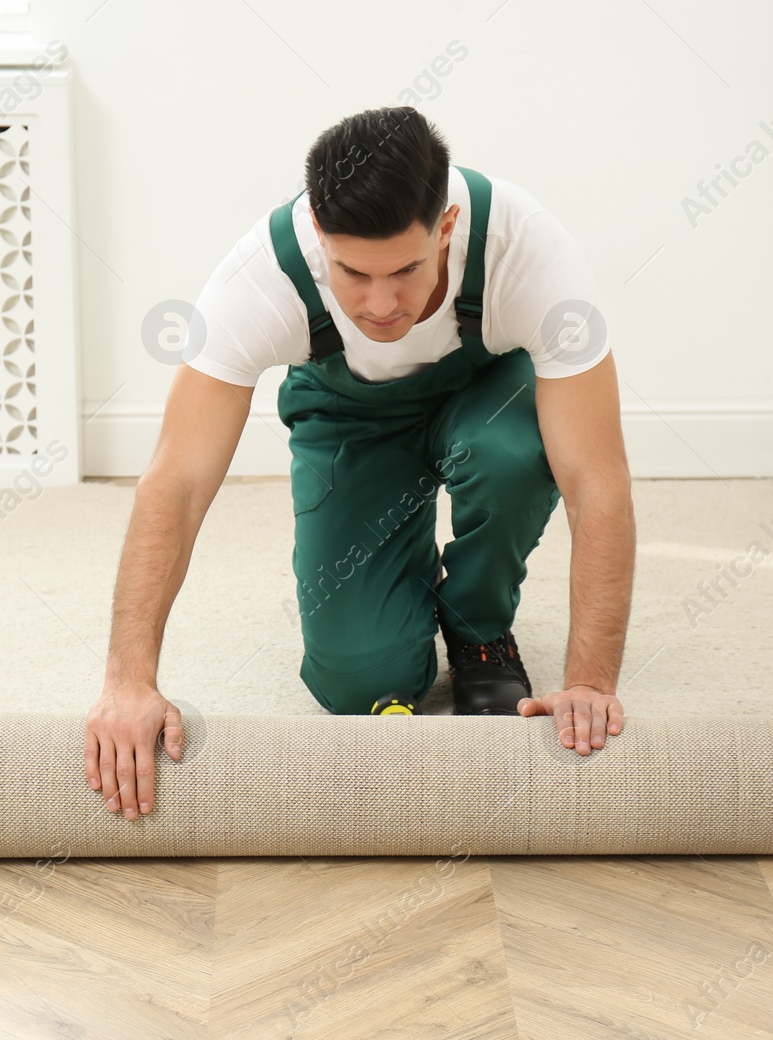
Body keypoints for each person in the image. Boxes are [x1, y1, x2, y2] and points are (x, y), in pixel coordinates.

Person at [85, 106, 635, 820]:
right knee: (361, 681)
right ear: (319, 234)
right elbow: (177, 482)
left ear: (446, 228)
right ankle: (401, 599)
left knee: (506, 453)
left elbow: (597, 480)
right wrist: (129, 680)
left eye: (406, 270)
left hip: (486, 399)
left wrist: (590, 682)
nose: (382, 304)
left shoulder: (523, 246)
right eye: (353, 274)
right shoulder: (260, 278)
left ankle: (478, 628)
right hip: (353, 417)